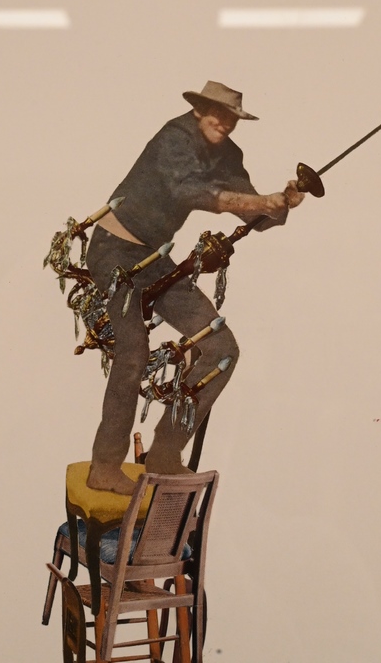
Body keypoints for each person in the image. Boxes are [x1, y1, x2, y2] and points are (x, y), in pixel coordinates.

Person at [85, 81, 305, 494]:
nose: (224, 123)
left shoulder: (228, 154)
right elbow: (187, 190)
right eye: (217, 113)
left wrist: (281, 203)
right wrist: (258, 203)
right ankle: (104, 467)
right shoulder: (174, 138)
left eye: (232, 118)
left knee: (222, 349)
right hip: (113, 250)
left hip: (154, 258)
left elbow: (254, 213)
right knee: (133, 353)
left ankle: (166, 456)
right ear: (199, 109)